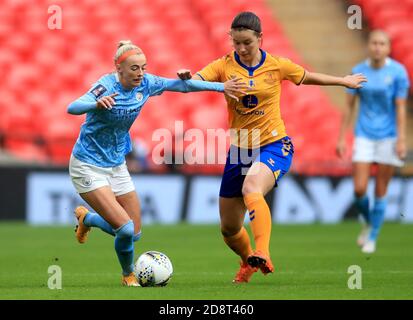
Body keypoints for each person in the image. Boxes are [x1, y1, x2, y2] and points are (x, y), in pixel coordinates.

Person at [177, 11, 367, 283]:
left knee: (251, 188)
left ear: (260, 39)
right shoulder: (224, 65)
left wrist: (343, 81)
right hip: (241, 149)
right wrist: (189, 78)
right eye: (236, 43)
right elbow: (195, 82)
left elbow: (308, 76)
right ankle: (247, 262)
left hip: (274, 144)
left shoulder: (278, 65)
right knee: (229, 229)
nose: (241, 49)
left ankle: (262, 251)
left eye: (247, 43)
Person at [67, 40, 247, 287]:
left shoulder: (147, 83)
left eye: (143, 67)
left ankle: (87, 219)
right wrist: (95, 103)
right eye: (134, 69)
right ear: (118, 69)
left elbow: (183, 86)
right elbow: (72, 107)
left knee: (135, 234)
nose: (140, 73)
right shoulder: (104, 86)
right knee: (126, 230)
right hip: (87, 165)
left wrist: (221, 87)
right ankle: (128, 276)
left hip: (116, 164)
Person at [336, 30, 410, 254]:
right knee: (359, 189)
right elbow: (349, 106)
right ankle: (368, 222)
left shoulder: (398, 72)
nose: (377, 47)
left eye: (382, 43)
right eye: (374, 42)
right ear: (369, 45)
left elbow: (400, 107)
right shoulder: (358, 72)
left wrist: (401, 139)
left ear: (388, 48)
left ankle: (373, 236)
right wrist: (341, 138)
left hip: (388, 137)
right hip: (364, 136)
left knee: (380, 189)